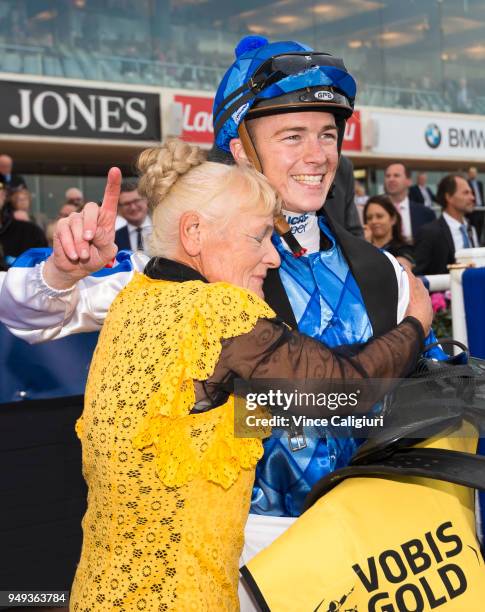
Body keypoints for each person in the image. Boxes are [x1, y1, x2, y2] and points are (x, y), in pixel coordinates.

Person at [0, 35, 446, 571]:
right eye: (292, 135)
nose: (317, 155)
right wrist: (63, 270)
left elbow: (419, 399)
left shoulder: (387, 272)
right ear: (239, 148)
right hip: (237, 562)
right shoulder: (191, 264)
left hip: (365, 552)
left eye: (328, 134)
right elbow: (33, 315)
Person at [48, 140, 430, 609]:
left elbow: (195, 434)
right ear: (194, 233)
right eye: (257, 238)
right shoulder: (216, 311)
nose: (272, 258)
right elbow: (348, 392)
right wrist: (416, 321)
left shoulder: (136, 301)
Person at [414, 174, 478, 275]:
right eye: (466, 193)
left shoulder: (471, 229)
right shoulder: (429, 233)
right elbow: (419, 275)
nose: (472, 197)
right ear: (449, 197)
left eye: (472, 193)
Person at [384, 162, 435, 242]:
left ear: (409, 181)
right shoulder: (376, 211)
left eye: (396, 175)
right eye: (388, 176)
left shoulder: (426, 213)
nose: (391, 179)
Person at [363, 194, 414, 269]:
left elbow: (398, 270)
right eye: (369, 218)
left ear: (393, 219)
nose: (373, 221)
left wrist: (368, 248)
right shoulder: (360, 247)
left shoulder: (404, 248)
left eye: (379, 216)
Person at [115, 180, 152, 254]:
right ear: (119, 208)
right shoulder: (114, 239)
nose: (133, 207)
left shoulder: (164, 231)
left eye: (136, 201)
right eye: (127, 204)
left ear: (146, 200)